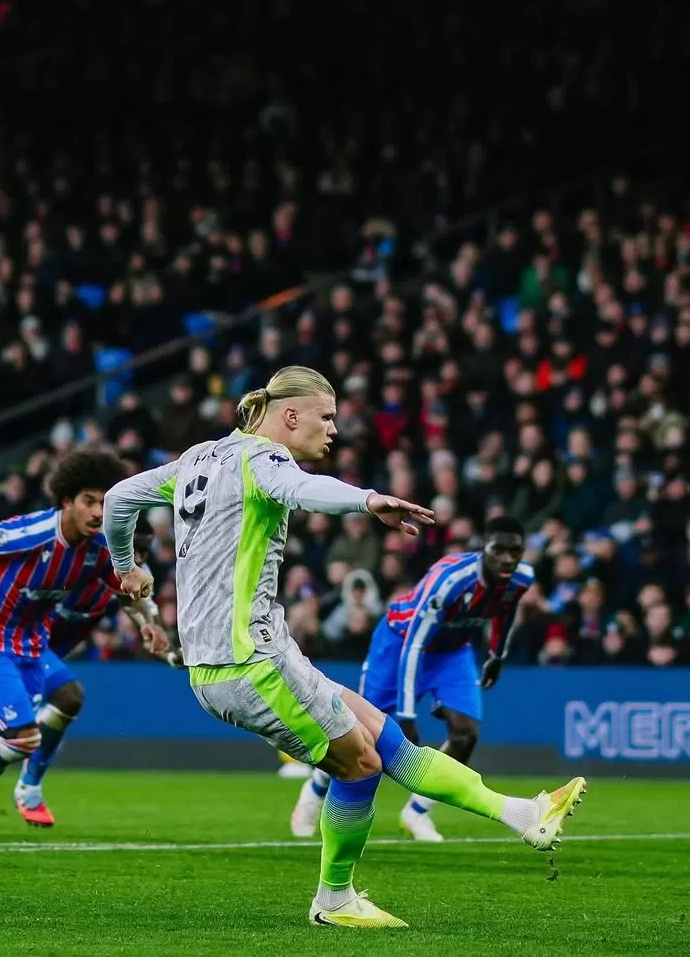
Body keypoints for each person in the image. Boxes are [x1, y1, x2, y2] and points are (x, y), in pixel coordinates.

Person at [101, 366, 586, 929]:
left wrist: (124, 567)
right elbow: (304, 488)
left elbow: (119, 497)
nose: (333, 430)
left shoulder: (198, 459)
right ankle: (334, 899)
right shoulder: (264, 459)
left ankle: (525, 815)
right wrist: (369, 499)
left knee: (387, 740)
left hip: (265, 654)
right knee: (360, 767)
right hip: (245, 663)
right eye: (326, 417)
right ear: (290, 416)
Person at [0, 449, 165, 846]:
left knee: (3, 748)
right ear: (66, 500)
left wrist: (150, 621)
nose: (99, 512)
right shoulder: (34, 532)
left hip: (30, 646)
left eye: (105, 502)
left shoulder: (100, 550)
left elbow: (126, 586)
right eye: (89, 501)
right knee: (18, 739)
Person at [292, 515, 534, 842]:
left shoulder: (522, 577)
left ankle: (417, 812)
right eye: (499, 549)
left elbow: (504, 611)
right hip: (398, 642)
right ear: (482, 549)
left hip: (452, 649)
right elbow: (414, 644)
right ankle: (316, 788)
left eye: (514, 551)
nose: (507, 558)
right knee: (356, 733)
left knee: (465, 734)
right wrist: (407, 713)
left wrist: (496, 655)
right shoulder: (450, 579)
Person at [11, 517, 171, 827]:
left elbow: (141, 608)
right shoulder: (81, 564)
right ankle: (28, 786)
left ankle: (26, 785)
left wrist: (156, 632)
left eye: (145, 552)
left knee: (6, 737)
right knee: (64, 701)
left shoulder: (130, 578)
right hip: (16, 645)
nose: (139, 559)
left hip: (45, 657)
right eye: (133, 549)